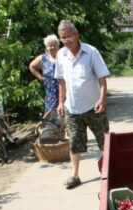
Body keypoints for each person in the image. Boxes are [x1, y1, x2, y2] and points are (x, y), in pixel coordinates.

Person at [54, 20, 110, 189]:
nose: (67, 40)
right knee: (74, 142)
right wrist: (60, 102)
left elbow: (101, 78)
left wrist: (102, 98)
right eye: (63, 38)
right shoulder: (60, 55)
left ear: (76, 34)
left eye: (69, 36)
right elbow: (61, 82)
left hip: (94, 107)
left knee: (104, 141)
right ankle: (75, 175)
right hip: (72, 108)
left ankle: (108, 172)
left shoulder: (91, 52)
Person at [29, 34, 61, 125]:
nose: (52, 47)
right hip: (51, 91)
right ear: (46, 47)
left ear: (58, 45)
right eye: (49, 45)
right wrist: (40, 77)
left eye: (54, 45)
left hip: (64, 88)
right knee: (51, 114)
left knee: (66, 112)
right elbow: (32, 66)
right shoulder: (43, 58)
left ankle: (65, 134)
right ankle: (52, 134)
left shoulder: (63, 55)